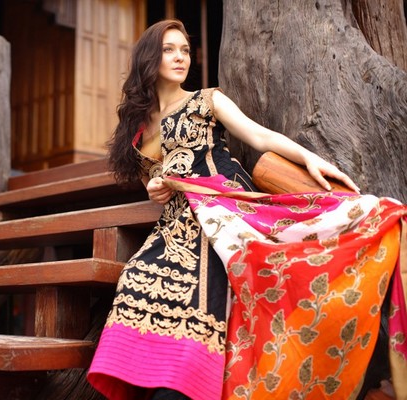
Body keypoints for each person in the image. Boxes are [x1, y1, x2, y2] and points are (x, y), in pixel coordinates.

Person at [86, 19, 407, 400]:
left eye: (184, 50)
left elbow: (259, 135)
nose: (180, 57)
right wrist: (156, 188)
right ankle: (149, 376)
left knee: (203, 285)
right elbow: (152, 184)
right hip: (174, 226)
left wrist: (311, 159)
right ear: (149, 58)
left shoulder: (206, 100)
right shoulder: (136, 132)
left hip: (223, 211)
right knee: (136, 275)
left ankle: (182, 385)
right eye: (169, 50)